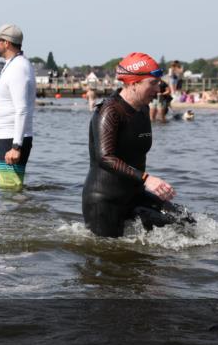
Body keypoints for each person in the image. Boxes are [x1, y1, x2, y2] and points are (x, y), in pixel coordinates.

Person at [82, 53, 191, 238]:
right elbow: (105, 158)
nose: (158, 88)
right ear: (133, 84)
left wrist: (143, 182)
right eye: (153, 83)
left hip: (134, 194)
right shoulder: (109, 111)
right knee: (111, 258)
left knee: (185, 223)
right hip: (105, 201)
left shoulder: (143, 108)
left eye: (159, 83)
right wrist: (147, 179)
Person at [0, 24, 36, 190]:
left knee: (10, 188)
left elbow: (22, 109)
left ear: (6, 43)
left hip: (12, 138)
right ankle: (14, 216)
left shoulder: (18, 68)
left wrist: (16, 146)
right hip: (6, 136)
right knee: (9, 187)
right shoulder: (13, 64)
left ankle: (14, 216)